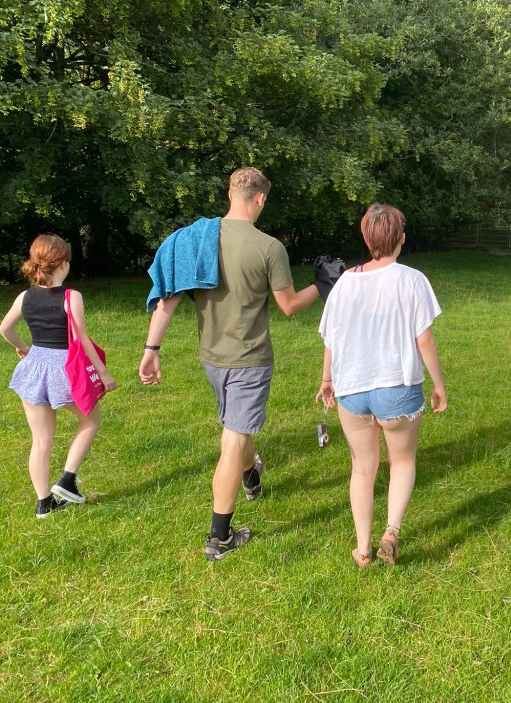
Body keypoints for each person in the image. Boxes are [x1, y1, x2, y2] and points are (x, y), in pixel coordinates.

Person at [139, 167, 319, 561]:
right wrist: (322, 285)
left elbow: (168, 298)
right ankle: (219, 537)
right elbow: (289, 306)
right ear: (260, 199)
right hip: (249, 360)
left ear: (229, 194)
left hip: (213, 359)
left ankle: (250, 474)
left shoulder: (195, 241)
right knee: (233, 439)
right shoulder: (269, 247)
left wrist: (152, 347)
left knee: (241, 425)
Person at [316, 204, 447, 567]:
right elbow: (424, 339)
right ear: (401, 238)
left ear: (366, 238)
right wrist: (438, 385)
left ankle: (362, 549)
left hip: (351, 389)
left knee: (362, 468)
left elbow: (331, 338)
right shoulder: (412, 279)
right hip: (398, 388)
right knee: (402, 461)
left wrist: (326, 379)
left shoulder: (344, 283)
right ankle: (391, 531)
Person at [0, 234, 117, 518]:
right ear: (63, 264)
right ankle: (67, 480)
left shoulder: (25, 296)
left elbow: (5, 329)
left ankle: (44, 504)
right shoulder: (71, 296)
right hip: (63, 370)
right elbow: (82, 339)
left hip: (33, 367)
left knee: (41, 441)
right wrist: (103, 373)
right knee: (91, 419)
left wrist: (23, 347)